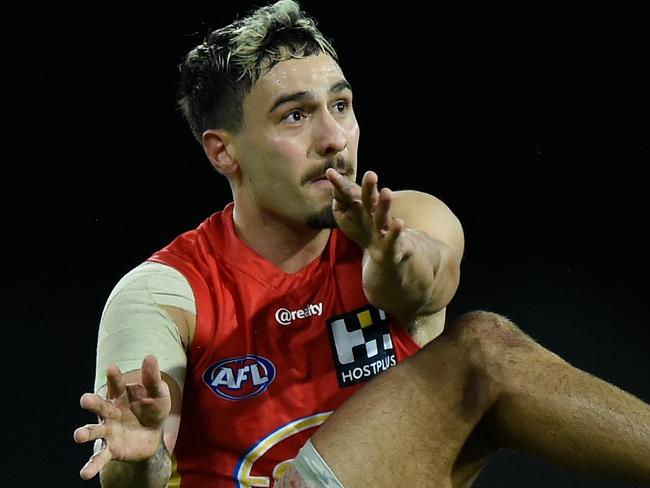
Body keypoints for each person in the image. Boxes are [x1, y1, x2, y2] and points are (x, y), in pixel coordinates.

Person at [73, 1, 650, 486]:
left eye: (341, 107)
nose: (333, 139)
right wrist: (145, 450)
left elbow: (418, 283)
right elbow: (128, 476)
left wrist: (391, 255)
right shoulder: (164, 292)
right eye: (295, 116)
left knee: (482, 349)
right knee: (480, 350)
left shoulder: (409, 219)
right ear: (224, 152)